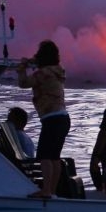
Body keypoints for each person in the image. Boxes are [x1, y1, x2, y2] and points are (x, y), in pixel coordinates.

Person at [16, 40, 70, 199]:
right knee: (55, 157)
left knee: (45, 156)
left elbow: (23, 83)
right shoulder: (58, 70)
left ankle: (46, 190)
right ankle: (52, 191)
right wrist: (31, 61)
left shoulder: (42, 73)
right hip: (63, 118)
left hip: (51, 119)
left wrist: (21, 69)